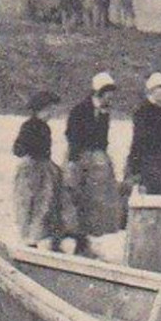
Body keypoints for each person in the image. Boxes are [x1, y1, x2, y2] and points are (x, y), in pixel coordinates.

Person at [63, 72, 122, 255]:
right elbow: (71, 136)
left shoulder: (105, 112)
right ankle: (75, 238)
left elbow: (102, 140)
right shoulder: (80, 110)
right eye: (107, 92)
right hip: (79, 158)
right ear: (99, 92)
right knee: (75, 197)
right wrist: (74, 161)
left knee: (96, 201)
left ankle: (86, 240)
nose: (110, 96)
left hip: (98, 161)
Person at [11, 90, 70, 248]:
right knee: (31, 203)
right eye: (50, 110)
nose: (52, 113)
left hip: (44, 169)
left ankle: (34, 238)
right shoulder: (29, 126)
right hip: (32, 169)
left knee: (43, 204)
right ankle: (29, 238)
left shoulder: (44, 127)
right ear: (40, 109)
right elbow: (18, 149)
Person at [127, 72, 161, 196]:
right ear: (151, 90)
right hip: (148, 161)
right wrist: (135, 168)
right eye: (160, 88)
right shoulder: (142, 111)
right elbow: (138, 140)